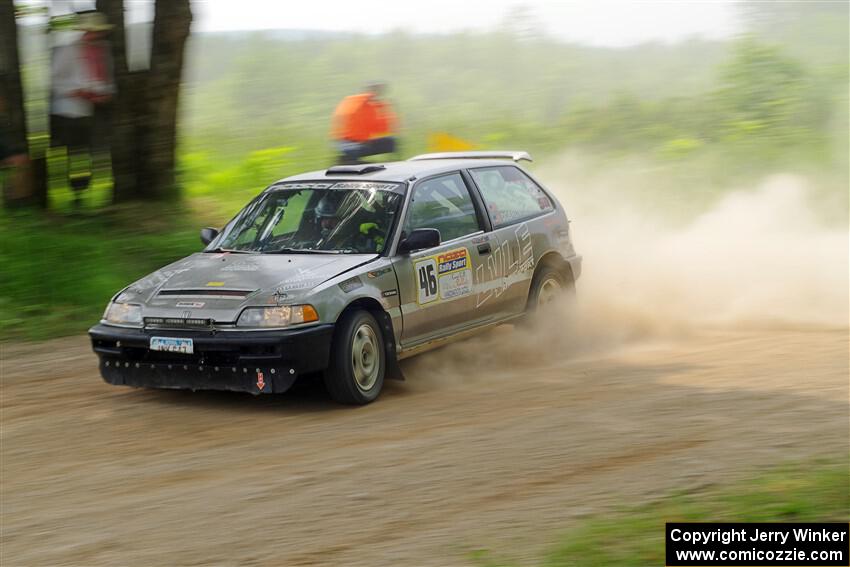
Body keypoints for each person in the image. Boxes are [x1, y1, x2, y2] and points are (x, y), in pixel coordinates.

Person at [49, 10, 114, 208]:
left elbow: (104, 79)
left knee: (93, 153)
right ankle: (77, 194)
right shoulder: (67, 50)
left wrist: (104, 93)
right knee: (77, 155)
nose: (95, 35)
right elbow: (55, 81)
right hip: (70, 111)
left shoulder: (102, 51)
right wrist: (78, 92)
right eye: (92, 31)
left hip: (94, 110)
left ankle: (85, 191)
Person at [330, 83, 398, 165]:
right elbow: (350, 113)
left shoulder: (372, 107)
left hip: (362, 142)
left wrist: (384, 109)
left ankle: (392, 164)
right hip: (345, 143)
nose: (378, 94)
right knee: (353, 152)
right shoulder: (354, 101)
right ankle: (347, 163)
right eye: (376, 90)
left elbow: (380, 128)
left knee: (390, 141)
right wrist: (371, 97)